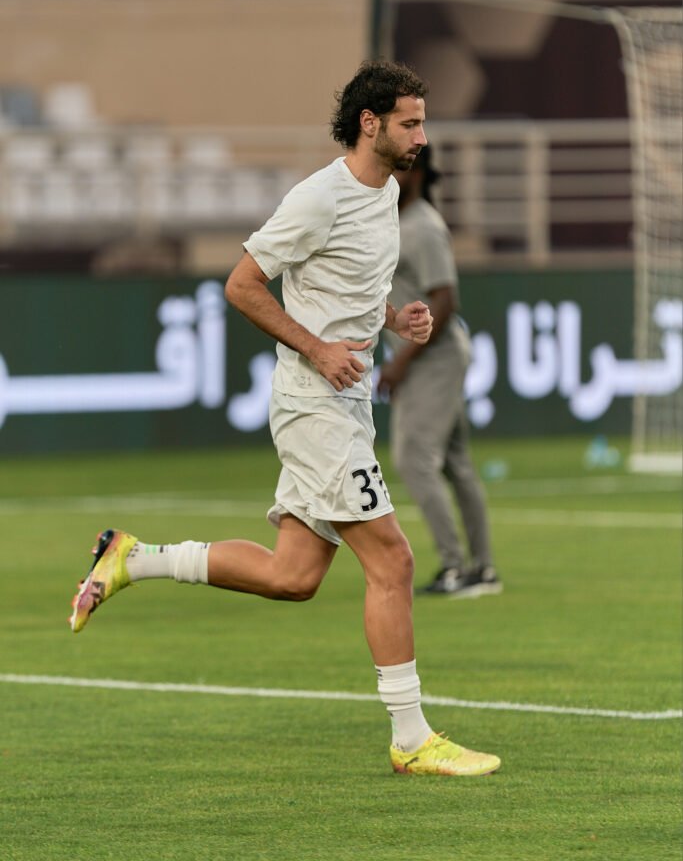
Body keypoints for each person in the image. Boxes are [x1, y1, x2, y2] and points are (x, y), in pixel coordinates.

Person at [68, 61, 501, 778]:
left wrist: (397, 319)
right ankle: (411, 738)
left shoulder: (389, 193)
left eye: (422, 123)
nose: (422, 137)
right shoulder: (318, 197)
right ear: (370, 123)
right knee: (393, 561)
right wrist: (318, 349)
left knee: (292, 576)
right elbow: (242, 284)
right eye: (410, 123)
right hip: (313, 404)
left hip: (345, 402)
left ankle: (131, 558)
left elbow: (349, 287)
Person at [378, 143, 502, 597]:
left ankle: (454, 567)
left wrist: (399, 362)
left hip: (435, 358)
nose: (390, 175)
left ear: (416, 173)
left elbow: (445, 302)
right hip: (429, 357)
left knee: (414, 459)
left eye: (398, 168)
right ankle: (482, 569)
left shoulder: (424, 226)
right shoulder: (394, 222)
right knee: (455, 463)